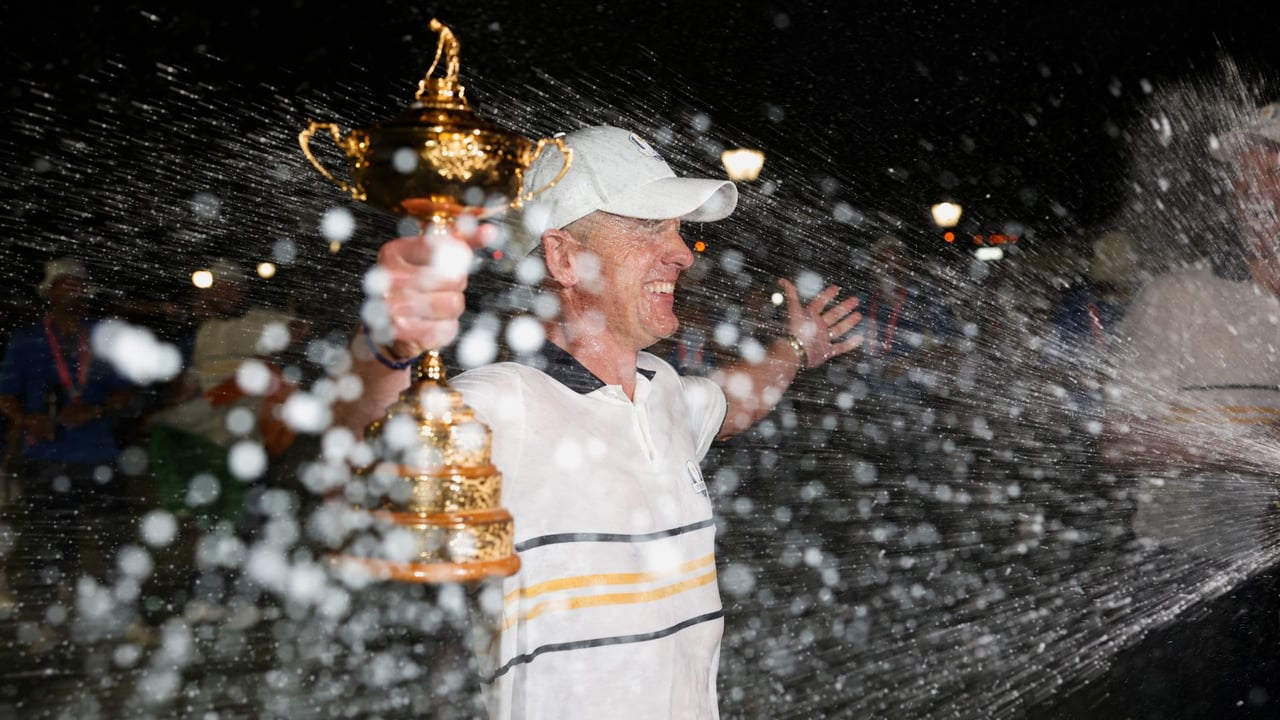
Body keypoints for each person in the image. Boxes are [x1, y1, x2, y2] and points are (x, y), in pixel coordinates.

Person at [334, 125, 862, 719]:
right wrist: (386, 348)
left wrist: (797, 345)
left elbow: (736, 403)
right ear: (563, 258)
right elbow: (361, 469)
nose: (683, 253)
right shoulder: (504, 403)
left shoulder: (663, 392)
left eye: (678, 229)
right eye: (648, 227)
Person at [0, 258, 136, 595]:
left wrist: (97, 408)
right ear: (49, 293)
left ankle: (121, 611)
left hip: (98, 450)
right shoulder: (27, 339)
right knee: (49, 536)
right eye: (66, 285)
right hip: (46, 451)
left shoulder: (104, 337)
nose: (75, 292)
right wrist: (26, 419)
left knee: (112, 535)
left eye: (80, 286)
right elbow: (5, 394)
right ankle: (48, 616)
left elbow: (129, 391)